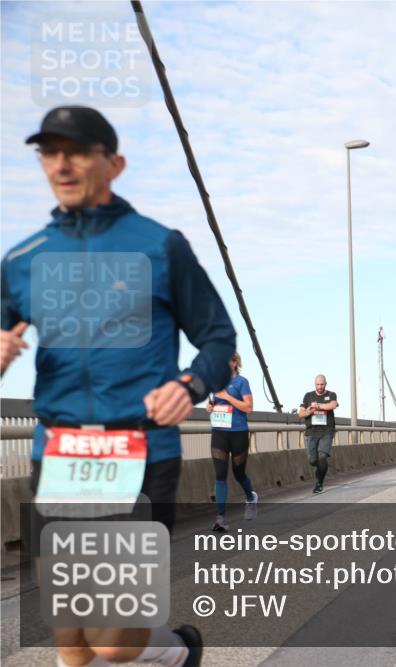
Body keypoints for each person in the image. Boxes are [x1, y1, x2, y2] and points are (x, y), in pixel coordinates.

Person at [1, 105, 238, 666]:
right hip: (58, 452)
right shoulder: (23, 259)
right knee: (71, 641)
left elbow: (218, 339)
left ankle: (179, 652)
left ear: (115, 164)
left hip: (137, 449)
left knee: (111, 641)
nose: (62, 164)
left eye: (77, 151)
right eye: (50, 152)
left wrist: (191, 381)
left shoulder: (160, 246)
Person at [207, 352, 257, 532]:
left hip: (238, 433)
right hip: (219, 433)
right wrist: (210, 407)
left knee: (238, 473)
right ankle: (220, 518)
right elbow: (212, 403)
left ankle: (250, 498)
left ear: (235, 363)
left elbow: (249, 408)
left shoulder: (242, 382)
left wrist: (227, 397)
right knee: (220, 474)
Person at [298, 375, 338, 493]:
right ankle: (320, 470)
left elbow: (333, 405)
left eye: (322, 384)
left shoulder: (331, 395)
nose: (320, 387)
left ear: (326, 384)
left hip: (326, 431)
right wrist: (308, 411)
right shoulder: (308, 396)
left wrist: (318, 406)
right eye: (317, 384)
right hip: (311, 432)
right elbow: (300, 414)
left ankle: (319, 483)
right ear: (314, 384)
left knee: (322, 457)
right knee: (312, 460)